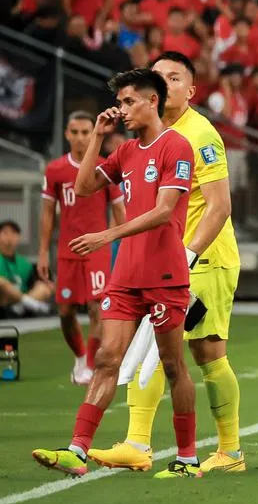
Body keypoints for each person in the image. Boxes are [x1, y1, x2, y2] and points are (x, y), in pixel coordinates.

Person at [32, 68, 200, 479]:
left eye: (129, 102)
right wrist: (97, 138)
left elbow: (163, 212)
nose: (122, 109)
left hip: (164, 275)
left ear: (152, 101)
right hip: (126, 276)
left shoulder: (175, 146)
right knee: (107, 358)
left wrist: (108, 234)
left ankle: (188, 457)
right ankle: (77, 450)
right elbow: (85, 185)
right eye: (119, 102)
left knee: (173, 364)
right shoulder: (124, 151)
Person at [89, 52, 244, 474]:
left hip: (205, 258)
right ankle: (138, 442)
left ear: (190, 91)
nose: (164, 83)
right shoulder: (148, 137)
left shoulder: (201, 135)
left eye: (174, 78)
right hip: (162, 263)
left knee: (207, 356)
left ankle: (229, 451)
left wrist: (188, 255)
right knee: (154, 347)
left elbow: (219, 206)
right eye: (158, 76)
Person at [38, 111, 127, 384]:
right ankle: (79, 358)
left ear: (94, 134)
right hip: (67, 251)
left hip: (97, 250)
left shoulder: (105, 168)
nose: (80, 138)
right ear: (66, 134)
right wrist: (43, 251)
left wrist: (120, 243)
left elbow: (119, 210)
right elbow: (48, 213)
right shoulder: (54, 170)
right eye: (74, 132)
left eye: (85, 132)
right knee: (64, 311)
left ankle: (90, 364)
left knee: (96, 308)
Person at [0, 220, 53, 315]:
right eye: (5, 233)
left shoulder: (25, 263)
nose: (9, 237)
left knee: (44, 288)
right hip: (3, 299)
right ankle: (29, 305)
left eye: (14, 233)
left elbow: (34, 284)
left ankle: (20, 307)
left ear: (19, 237)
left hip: (21, 296)